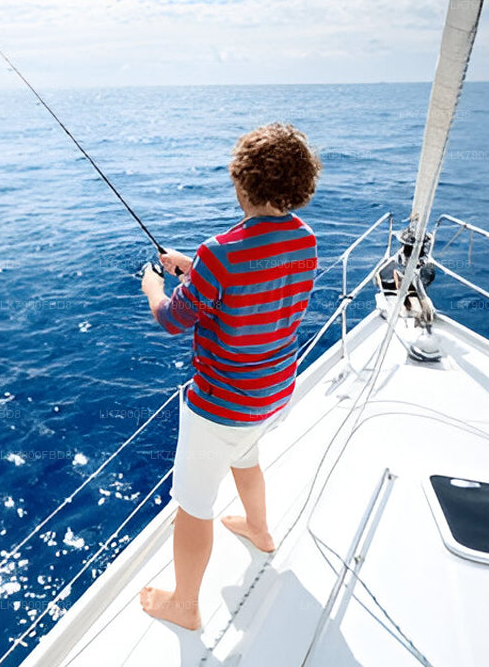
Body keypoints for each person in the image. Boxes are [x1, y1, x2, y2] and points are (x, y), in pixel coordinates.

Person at [137, 122, 320, 631]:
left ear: (241, 182)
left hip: (219, 406)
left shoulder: (219, 253)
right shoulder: (305, 239)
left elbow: (174, 318)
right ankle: (260, 529)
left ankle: (185, 605)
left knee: (194, 505)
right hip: (273, 391)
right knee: (247, 456)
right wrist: (192, 267)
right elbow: (256, 278)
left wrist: (155, 286)